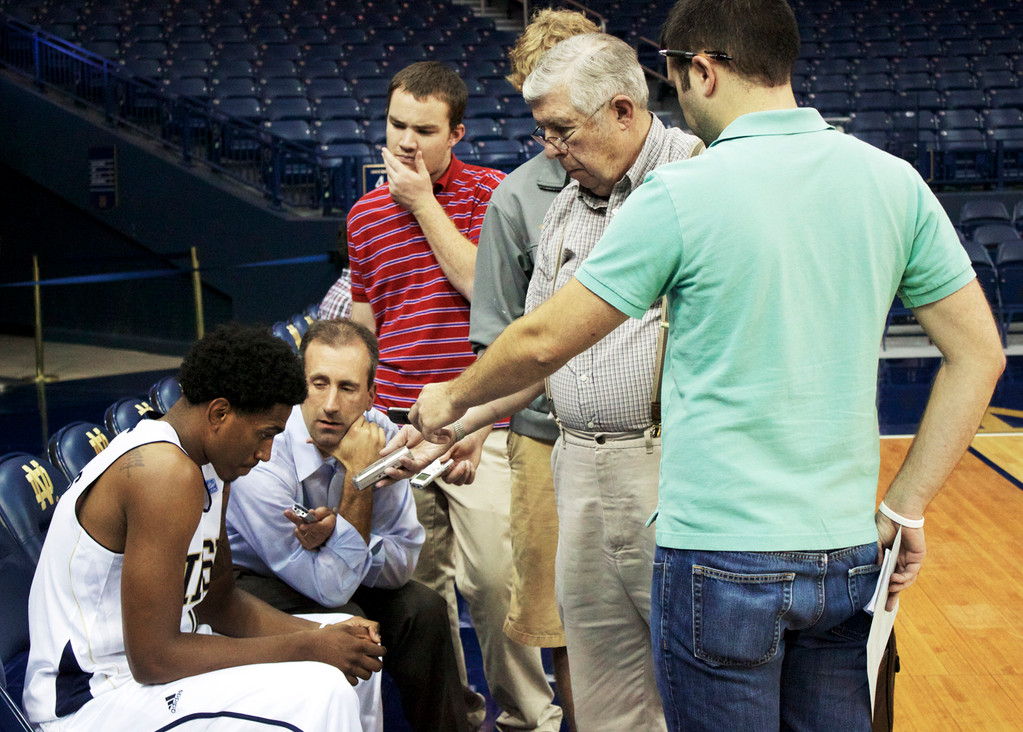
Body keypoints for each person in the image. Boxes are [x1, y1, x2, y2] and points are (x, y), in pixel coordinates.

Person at [409, 0, 1006, 729]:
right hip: (845, 546)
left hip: (719, 552)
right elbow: (978, 353)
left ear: (702, 69)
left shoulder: (681, 192)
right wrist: (902, 505)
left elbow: (542, 341)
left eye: (677, 84)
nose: (680, 105)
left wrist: (449, 402)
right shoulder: (891, 180)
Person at [22, 323, 386, 731]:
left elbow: (221, 604)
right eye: (265, 435)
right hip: (94, 702)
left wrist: (329, 633)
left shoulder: (211, 468)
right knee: (324, 687)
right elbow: (154, 658)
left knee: (356, 654)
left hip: (152, 682)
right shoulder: (162, 472)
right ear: (219, 413)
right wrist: (309, 644)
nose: (266, 454)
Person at [347, 61, 561, 730]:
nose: (406, 142)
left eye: (424, 130)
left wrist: (421, 203)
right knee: (421, 595)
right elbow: (364, 320)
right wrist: (360, 418)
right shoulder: (362, 217)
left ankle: (528, 719)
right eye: (396, 126)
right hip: (397, 433)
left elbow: (483, 290)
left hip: (482, 426)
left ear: (456, 134)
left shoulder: (493, 196)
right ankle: (456, 721)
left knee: (497, 583)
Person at [226, 318, 472, 732]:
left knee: (424, 609)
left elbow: (402, 564)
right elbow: (332, 589)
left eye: (347, 387)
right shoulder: (266, 446)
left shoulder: (382, 438)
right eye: (317, 383)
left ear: (372, 394)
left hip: (333, 575)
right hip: (251, 581)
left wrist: (339, 535)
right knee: (351, 620)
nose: (331, 405)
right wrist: (360, 477)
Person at [469, 11, 600, 731]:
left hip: (656, 436)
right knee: (559, 625)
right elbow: (496, 338)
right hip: (546, 439)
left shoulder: (672, 174)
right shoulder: (516, 199)